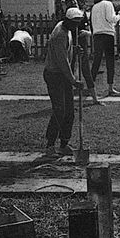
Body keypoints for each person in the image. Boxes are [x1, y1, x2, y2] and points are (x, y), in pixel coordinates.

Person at [43, 11, 82, 157]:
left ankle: (64, 143)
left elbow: (66, 53)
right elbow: (63, 62)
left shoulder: (67, 29)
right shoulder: (60, 34)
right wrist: (73, 80)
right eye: (75, 22)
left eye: (79, 22)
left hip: (62, 75)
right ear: (67, 20)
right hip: (54, 75)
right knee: (60, 110)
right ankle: (50, 146)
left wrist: (74, 50)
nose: (77, 25)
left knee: (70, 111)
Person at [66, 7, 102, 105]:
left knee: (85, 70)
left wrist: (85, 33)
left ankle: (95, 98)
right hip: (71, 45)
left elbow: (90, 30)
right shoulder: (67, 17)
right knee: (70, 69)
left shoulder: (82, 15)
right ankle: (68, 99)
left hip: (81, 45)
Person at [90, 0, 120, 96]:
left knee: (96, 61)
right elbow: (110, 18)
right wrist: (119, 16)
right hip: (107, 34)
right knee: (110, 61)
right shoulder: (108, 4)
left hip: (97, 34)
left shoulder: (94, 7)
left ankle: (90, 86)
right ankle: (110, 87)